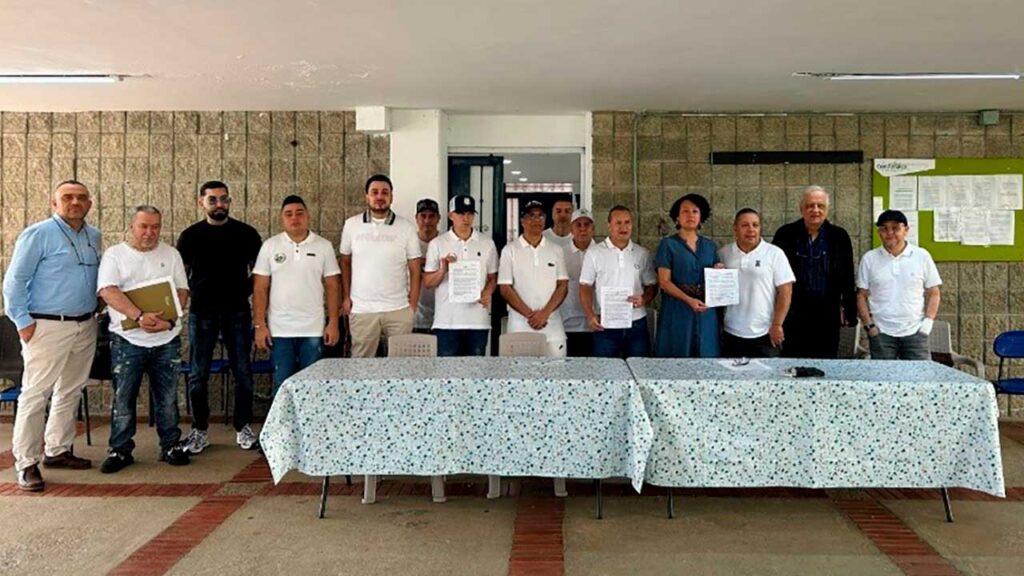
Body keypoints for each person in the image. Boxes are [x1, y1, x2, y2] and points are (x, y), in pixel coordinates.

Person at [3, 180, 100, 491]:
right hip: (46, 326)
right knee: (35, 394)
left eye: (81, 197)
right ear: (54, 203)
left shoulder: (93, 236)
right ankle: (26, 462)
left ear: (89, 204)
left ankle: (57, 450)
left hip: (85, 324)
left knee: (70, 390)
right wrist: (22, 322)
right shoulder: (37, 234)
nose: (75, 202)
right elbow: (14, 281)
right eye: (67, 197)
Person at [97, 205, 191, 473]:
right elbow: (108, 291)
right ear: (131, 227)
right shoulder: (115, 255)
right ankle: (120, 450)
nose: (150, 232)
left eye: (155, 227)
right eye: (144, 226)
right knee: (124, 397)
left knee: (168, 396)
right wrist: (138, 316)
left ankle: (170, 445)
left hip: (166, 338)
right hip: (127, 340)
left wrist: (170, 320)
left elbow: (182, 291)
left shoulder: (171, 254)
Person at [176, 181, 263, 454]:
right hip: (201, 312)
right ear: (201, 202)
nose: (219, 205)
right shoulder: (190, 236)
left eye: (224, 199)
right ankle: (199, 430)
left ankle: (243, 427)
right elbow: (181, 276)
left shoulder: (246, 234)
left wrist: (242, 292)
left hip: (237, 311)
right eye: (212, 200)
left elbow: (259, 275)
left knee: (244, 373)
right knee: (198, 374)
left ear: (230, 201)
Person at [253, 195, 340, 395]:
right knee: (283, 386)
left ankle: (312, 426)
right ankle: (282, 427)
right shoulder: (270, 246)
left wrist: (333, 322)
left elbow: (333, 286)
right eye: (289, 214)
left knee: (312, 386)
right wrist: (260, 325)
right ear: (282, 219)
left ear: (308, 216)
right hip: (280, 330)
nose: (295, 218)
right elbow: (260, 288)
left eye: (299, 213)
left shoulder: (323, 246)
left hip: (313, 329)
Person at [340, 175, 422, 357]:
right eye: (374, 192)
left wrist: (413, 304)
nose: (379, 197)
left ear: (391, 197)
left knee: (401, 365)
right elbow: (345, 261)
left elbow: (415, 267)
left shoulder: (406, 227)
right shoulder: (351, 225)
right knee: (361, 365)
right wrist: (346, 297)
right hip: (362, 309)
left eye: (385, 192)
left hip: (398, 308)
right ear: (366, 196)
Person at [772, 185, 857, 358]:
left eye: (820, 206)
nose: (815, 210)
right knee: (792, 362)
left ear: (827, 209)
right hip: (793, 313)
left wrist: (850, 310)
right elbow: (773, 274)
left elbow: (847, 275)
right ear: (801, 209)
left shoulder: (839, 236)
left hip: (827, 312)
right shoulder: (785, 234)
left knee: (825, 363)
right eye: (810, 206)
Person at [857, 209, 941, 360]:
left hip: (915, 332)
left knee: (919, 380)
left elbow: (934, 293)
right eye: (884, 229)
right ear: (879, 232)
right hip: (881, 334)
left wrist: (927, 325)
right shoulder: (869, 259)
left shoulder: (922, 256)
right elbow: (861, 295)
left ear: (906, 230)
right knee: (883, 381)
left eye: (895, 228)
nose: (889, 233)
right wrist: (869, 327)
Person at [423, 195, 498, 356]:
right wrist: (443, 270)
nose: (466, 218)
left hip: (477, 322)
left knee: (476, 376)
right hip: (447, 323)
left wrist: (487, 293)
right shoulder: (438, 243)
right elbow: (428, 282)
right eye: (461, 213)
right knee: (447, 377)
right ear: (451, 215)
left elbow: (493, 277)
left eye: (470, 213)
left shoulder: (487, 243)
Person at [579, 205, 658, 358]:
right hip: (605, 323)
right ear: (609, 226)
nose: (623, 227)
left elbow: (652, 285)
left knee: (639, 370)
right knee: (605, 373)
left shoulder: (642, 253)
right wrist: (590, 315)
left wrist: (644, 298)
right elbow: (585, 286)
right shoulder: (594, 253)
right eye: (618, 223)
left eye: (627, 222)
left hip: (636, 324)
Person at [719, 208, 795, 358]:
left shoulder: (774, 253)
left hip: (765, 332)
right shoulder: (724, 253)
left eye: (755, 225)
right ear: (735, 228)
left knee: (767, 379)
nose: (751, 230)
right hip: (731, 331)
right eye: (745, 225)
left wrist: (777, 324)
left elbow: (786, 291)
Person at [498, 200, 569, 358]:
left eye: (540, 216)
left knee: (556, 376)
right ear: (522, 221)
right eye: (531, 216)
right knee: (521, 377)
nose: (537, 220)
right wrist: (530, 315)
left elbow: (562, 285)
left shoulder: (556, 250)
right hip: (520, 326)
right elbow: (505, 288)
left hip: (553, 327)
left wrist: (544, 314)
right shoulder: (510, 250)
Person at [654, 194, 721, 357]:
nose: (690, 215)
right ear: (677, 218)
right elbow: (664, 282)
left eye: (695, 211)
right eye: (685, 211)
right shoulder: (668, 245)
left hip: (706, 310)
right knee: (677, 353)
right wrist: (688, 300)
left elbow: (717, 278)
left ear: (701, 217)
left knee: (706, 355)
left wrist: (720, 271)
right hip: (677, 309)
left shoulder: (710, 246)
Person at [561, 209, 597, 356]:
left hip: (595, 323)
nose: (583, 229)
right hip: (567, 322)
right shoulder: (560, 253)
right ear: (571, 228)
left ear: (593, 229)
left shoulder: (603, 252)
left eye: (587, 225)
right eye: (578, 225)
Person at [413, 198, 440, 334]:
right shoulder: (408, 244)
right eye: (423, 216)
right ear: (416, 218)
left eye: (431, 216)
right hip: (414, 315)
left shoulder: (446, 243)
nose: (427, 221)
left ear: (438, 218)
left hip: (442, 317)